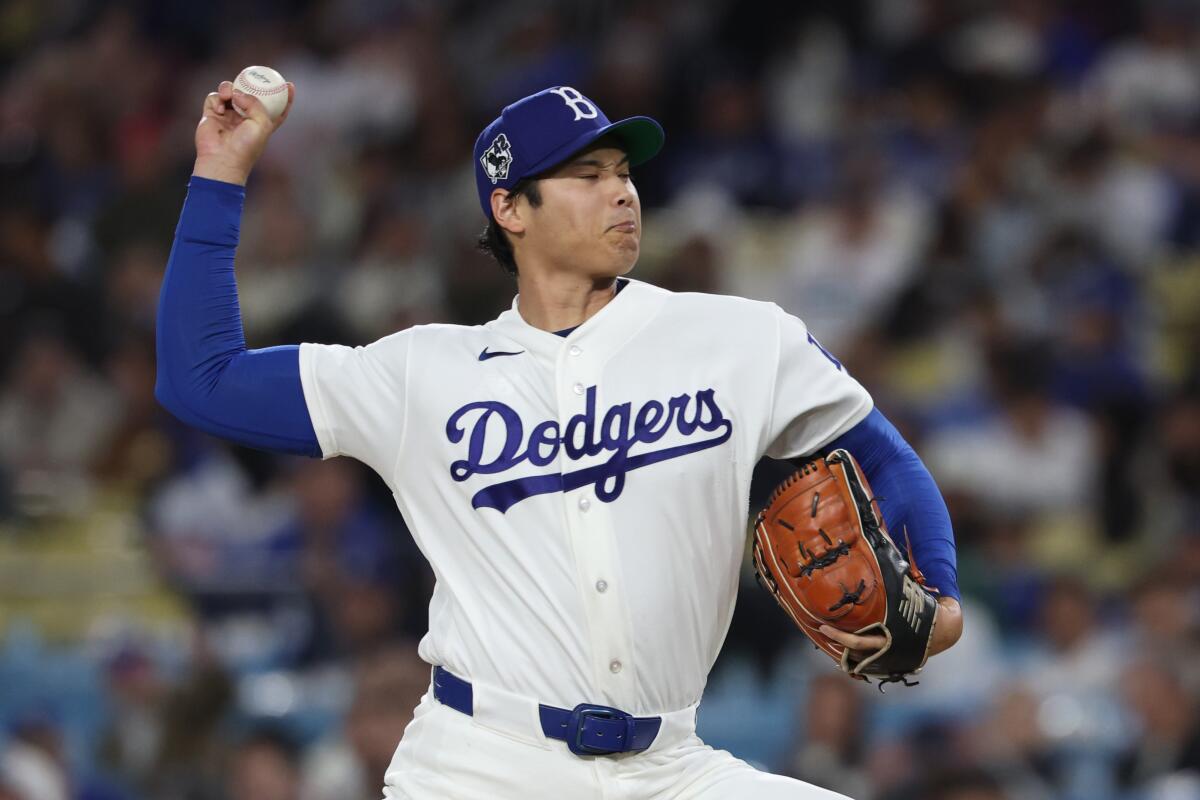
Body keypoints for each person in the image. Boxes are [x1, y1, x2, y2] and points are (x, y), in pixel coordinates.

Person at [157, 80, 964, 799]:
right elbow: (203, 380)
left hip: (670, 765)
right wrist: (221, 173)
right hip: (481, 764)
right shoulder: (420, 374)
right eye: (587, 175)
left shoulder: (740, 338)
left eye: (623, 171)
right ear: (509, 208)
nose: (622, 193)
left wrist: (942, 593)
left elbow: (884, 459)